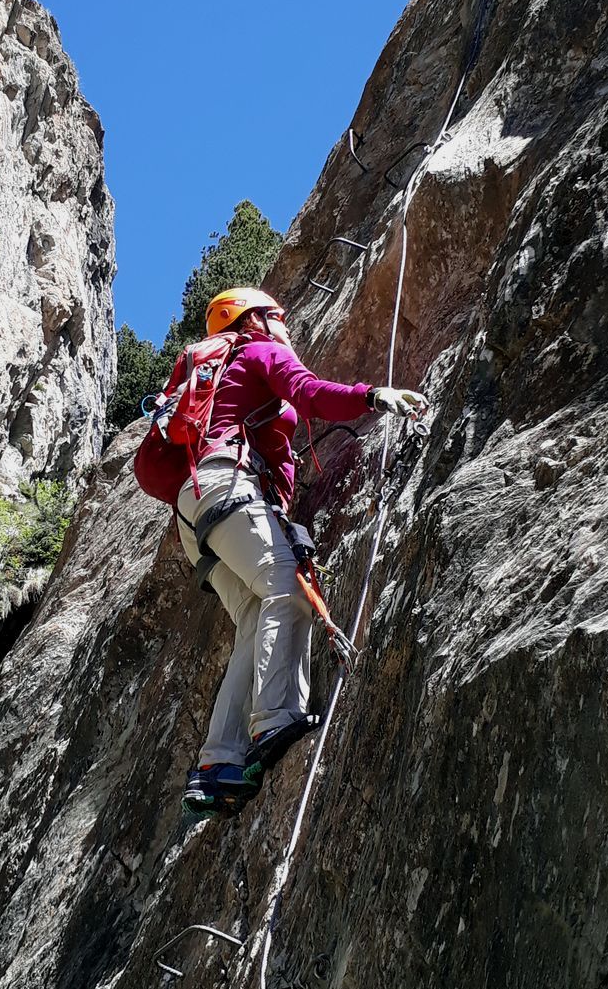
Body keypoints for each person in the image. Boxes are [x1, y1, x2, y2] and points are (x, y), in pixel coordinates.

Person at [177, 288, 428, 824]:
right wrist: (372, 397)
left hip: (195, 511)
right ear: (259, 319)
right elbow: (308, 392)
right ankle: (275, 715)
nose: (286, 326)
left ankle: (217, 762)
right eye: (279, 317)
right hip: (228, 488)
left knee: (252, 619)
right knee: (287, 587)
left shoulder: (216, 377)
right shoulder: (257, 350)